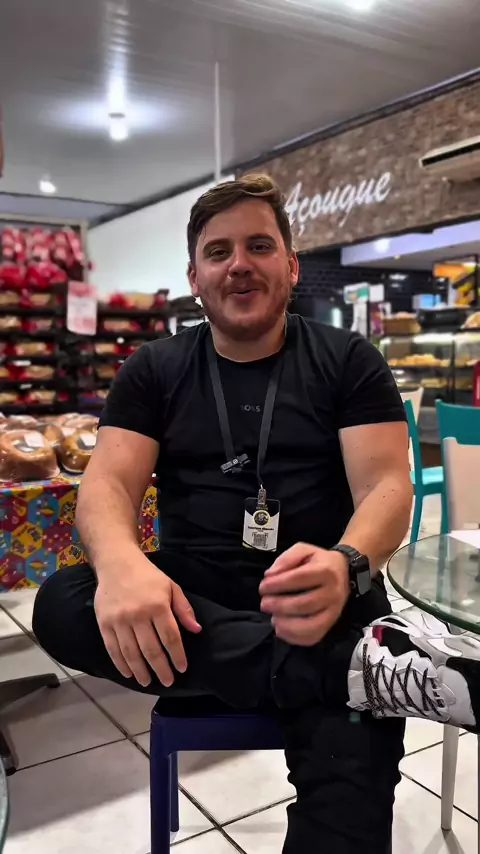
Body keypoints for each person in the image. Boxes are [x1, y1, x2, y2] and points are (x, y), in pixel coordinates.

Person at [33, 175, 480, 854]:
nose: (238, 264)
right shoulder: (154, 369)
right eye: (218, 252)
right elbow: (108, 485)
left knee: (347, 795)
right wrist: (122, 566)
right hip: (196, 600)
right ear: (195, 278)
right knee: (62, 601)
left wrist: (346, 563)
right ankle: (357, 672)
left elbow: (388, 486)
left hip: (326, 591)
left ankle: (347, 668)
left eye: (259, 246)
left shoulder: (348, 359)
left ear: (291, 266)